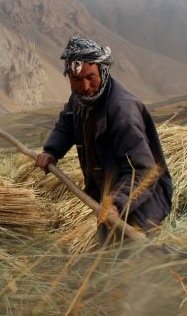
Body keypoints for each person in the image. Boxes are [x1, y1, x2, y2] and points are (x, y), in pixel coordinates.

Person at [36, 36, 173, 244]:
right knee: (106, 260)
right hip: (109, 203)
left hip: (141, 207)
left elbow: (143, 170)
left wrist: (117, 203)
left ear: (102, 71)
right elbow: (66, 124)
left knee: (136, 266)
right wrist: (51, 151)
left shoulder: (122, 111)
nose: (85, 86)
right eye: (77, 80)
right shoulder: (79, 100)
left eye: (91, 77)